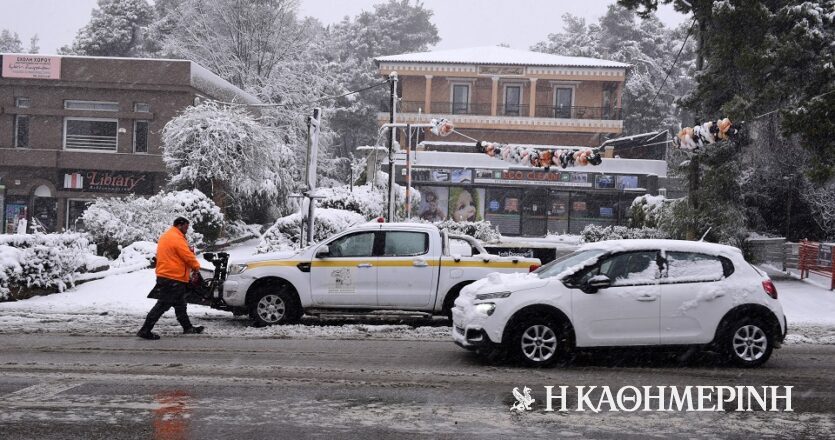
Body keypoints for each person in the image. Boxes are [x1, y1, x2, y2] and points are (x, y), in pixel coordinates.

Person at [137, 217, 204, 340]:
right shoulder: (176, 238)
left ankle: (188, 328)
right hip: (172, 277)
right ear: (180, 225)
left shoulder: (168, 235)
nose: (187, 230)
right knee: (162, 305)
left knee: (180, 304)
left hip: (168, 276)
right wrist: (196, 267)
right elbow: (187, 255)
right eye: (185, 227)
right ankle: (145, 330)